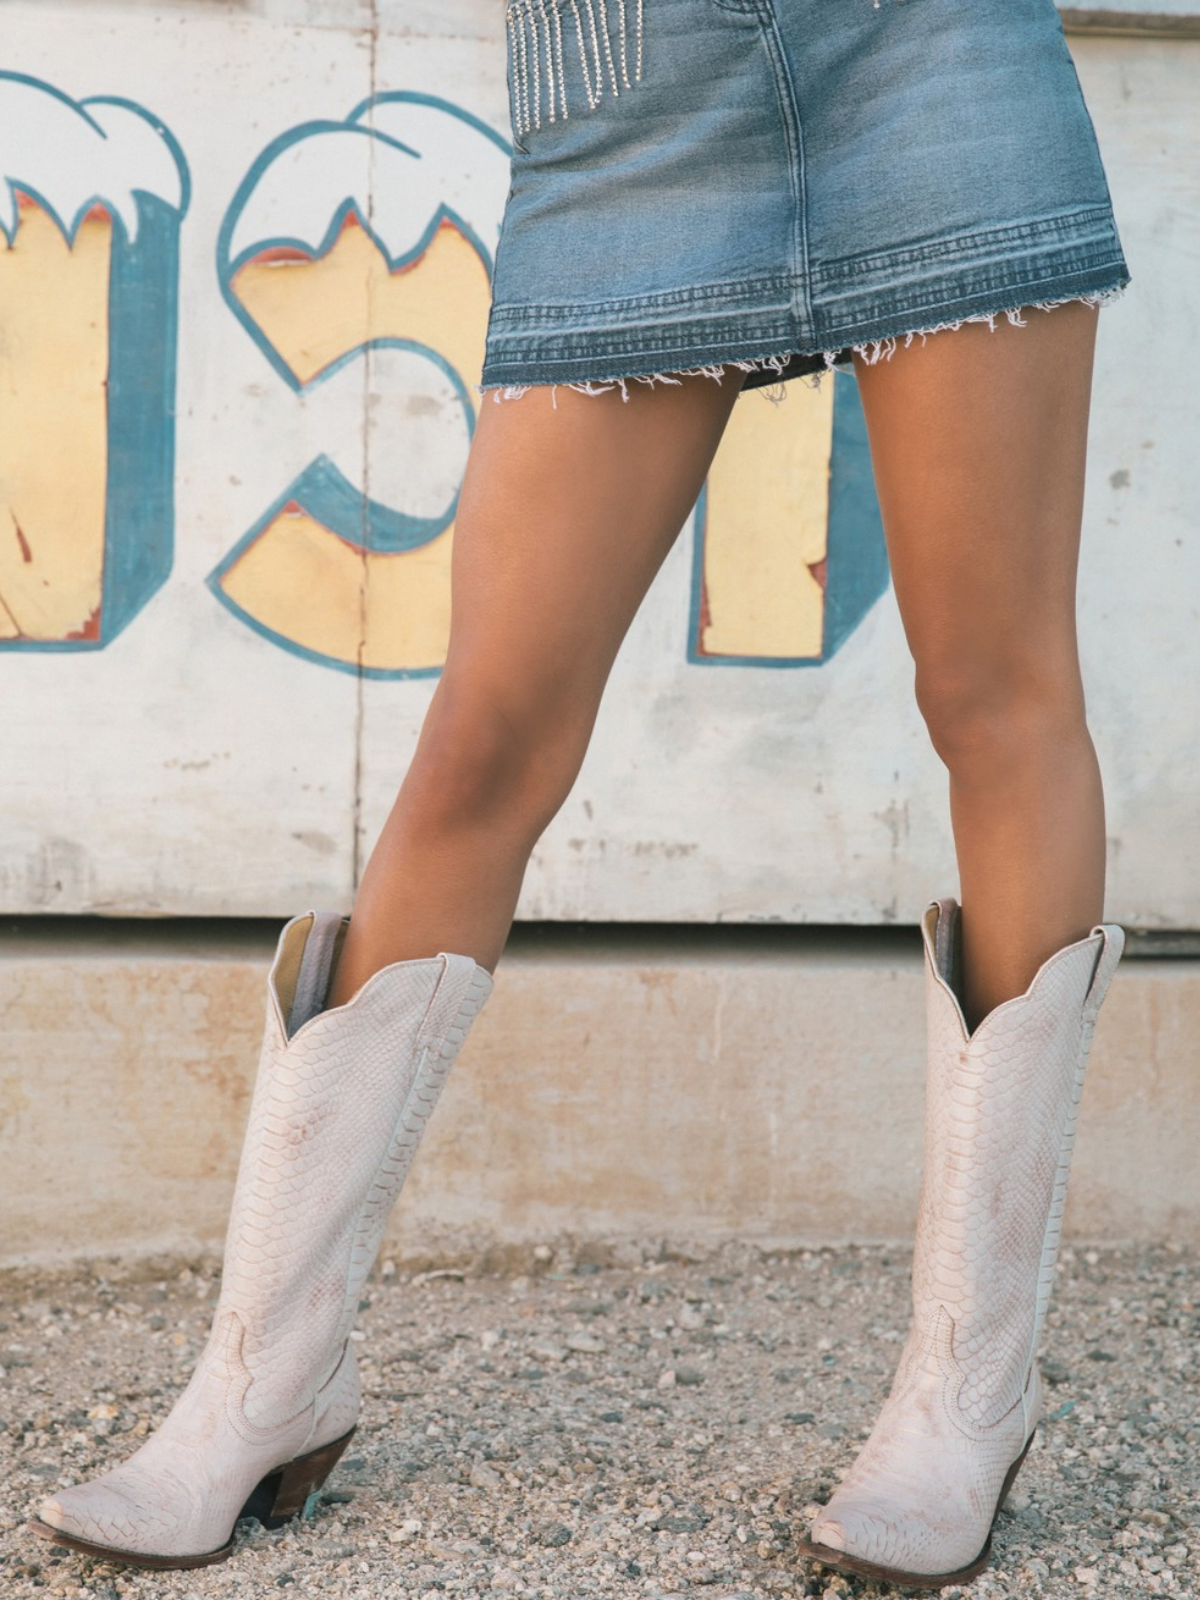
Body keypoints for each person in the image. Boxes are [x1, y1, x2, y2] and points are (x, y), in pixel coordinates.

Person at [31, 0, 1129, 1588]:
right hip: (630, 96)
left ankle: (971, 1400)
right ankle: (264, 1383)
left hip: (929, 58)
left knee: (994, 694)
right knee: (487, 735)